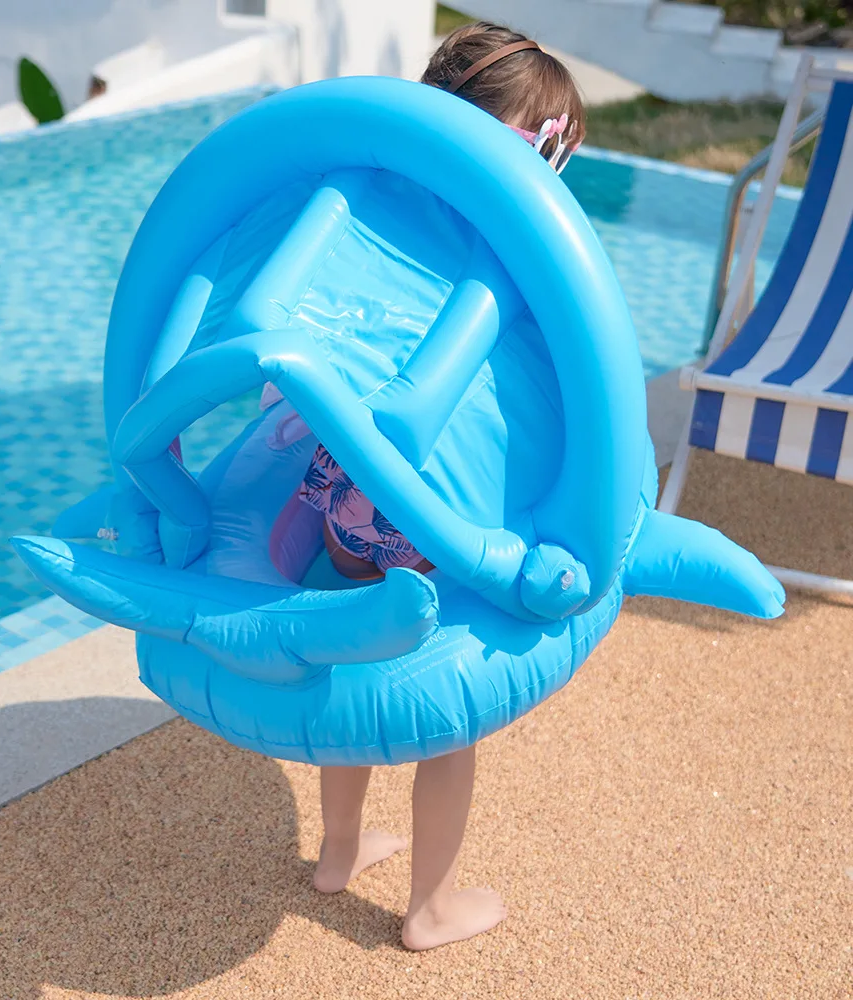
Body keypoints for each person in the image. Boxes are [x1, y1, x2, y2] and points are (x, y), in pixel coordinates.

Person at [305, 22, 588, 951]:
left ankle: (338, 852)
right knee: (449, 720)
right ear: (540, 158)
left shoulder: (388, 218)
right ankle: (429, 907)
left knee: (352, 661)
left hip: (344, 506)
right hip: (437, 527)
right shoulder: (522, 254)